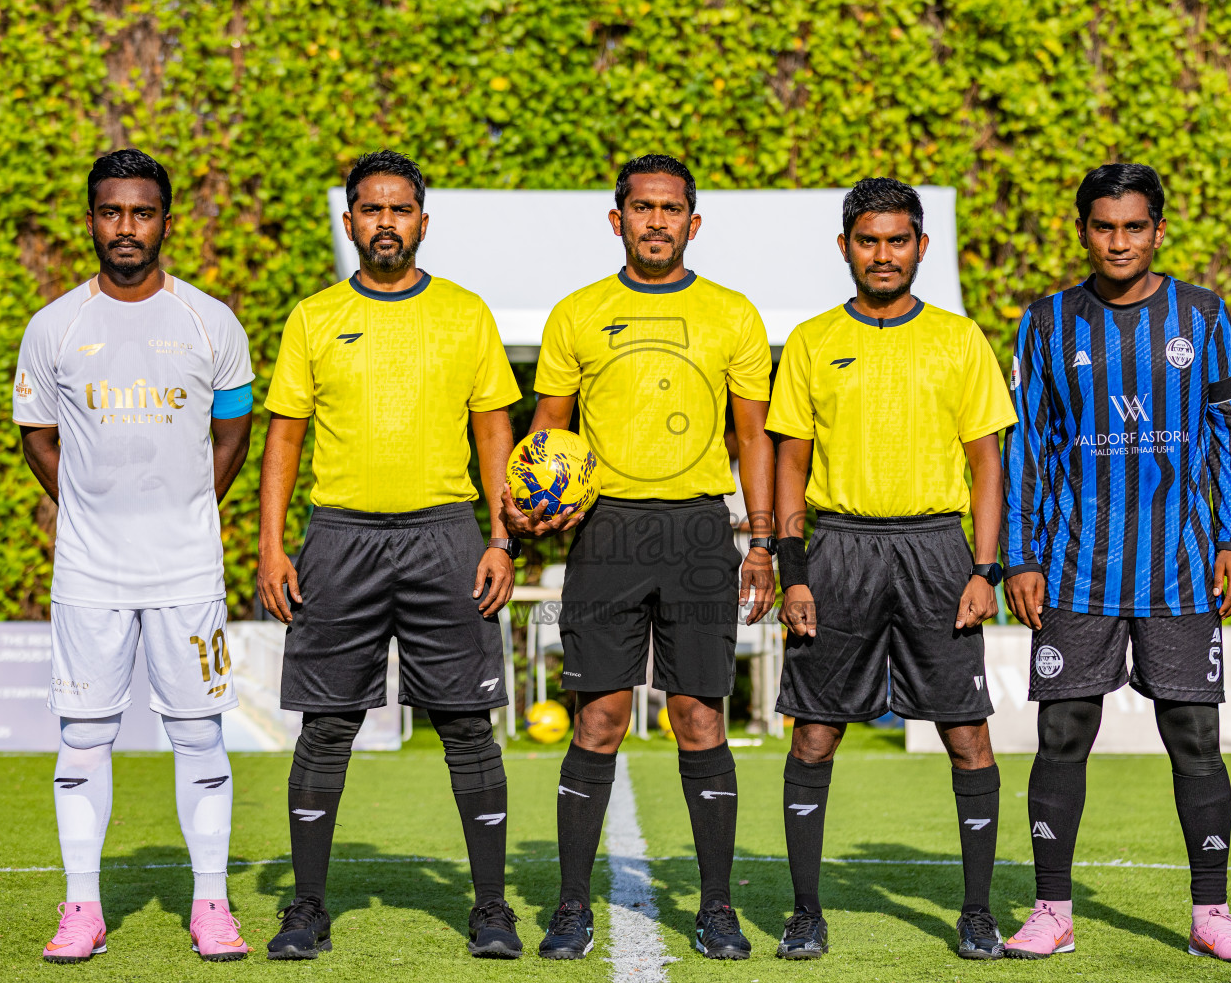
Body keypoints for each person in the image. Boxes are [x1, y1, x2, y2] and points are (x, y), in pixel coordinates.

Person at [505, 154, 775, 961]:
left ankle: (717, 907)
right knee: (599, 718)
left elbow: (754, 436)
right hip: (607, 532)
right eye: (642, 207)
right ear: (616, 218)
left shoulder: (732, 313)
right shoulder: (578, 313)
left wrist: (762, 541)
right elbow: (548, 428)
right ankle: (571, 906)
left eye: (671, 208)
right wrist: (530, 502)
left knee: (699, 718)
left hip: (699, 532)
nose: (657, 220)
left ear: (693, 222)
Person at [255, 150, 524, 960]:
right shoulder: (312, 317)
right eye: (371, 209)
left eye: (399, 209)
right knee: (326, 726)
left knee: (467, 725)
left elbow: (493, 432)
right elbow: (285, 436)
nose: (385, 222)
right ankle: (306, 908)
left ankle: (491, 908)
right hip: (340, 538)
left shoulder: (466, 314)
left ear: (422, 222)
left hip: (447, 535)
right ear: (349, 223)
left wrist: (501, 538)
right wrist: (271, 547)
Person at [1000, 163, 1231, 963]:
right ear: (1084, 230)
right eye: (1104, 226)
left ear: (1158, 230)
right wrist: (1021, 555)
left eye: (1135, 226)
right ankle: (1052, 911)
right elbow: (1027, 444)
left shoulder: (1202, 314)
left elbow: (1230, 433)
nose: (1119, 242)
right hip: (1074, 566)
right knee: (1062, 731)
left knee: (1194, 735)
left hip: (1180, 565)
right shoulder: (1047, 322)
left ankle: (1211, 913)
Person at [14, 149, 255, 963]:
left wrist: (184, 512)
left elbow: (233, 435)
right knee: (83, 737)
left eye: (142, 213)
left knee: (199, 734)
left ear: (165, 222)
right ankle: (82, 907)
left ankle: (211, 904)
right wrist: (93, 511)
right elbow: (37, 439)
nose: (126, 227)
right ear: (91, 221)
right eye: (112, 212)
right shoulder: (54, 326)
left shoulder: (211, 322)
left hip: (188, 572)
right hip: (89, 573)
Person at [768, 178, 1017, 961]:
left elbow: (987, 463)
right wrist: (793, 570)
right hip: (838, 549)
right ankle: (805, 912)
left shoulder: (959, 338)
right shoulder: (810, 340)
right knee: (814, 734)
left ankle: (976, 912)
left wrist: (986, 569)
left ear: (921, 247)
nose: (883, 254)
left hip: (938, 552)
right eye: (869, 240)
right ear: (845, 246)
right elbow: (790, 462)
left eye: (898, 240)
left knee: (967, 734)